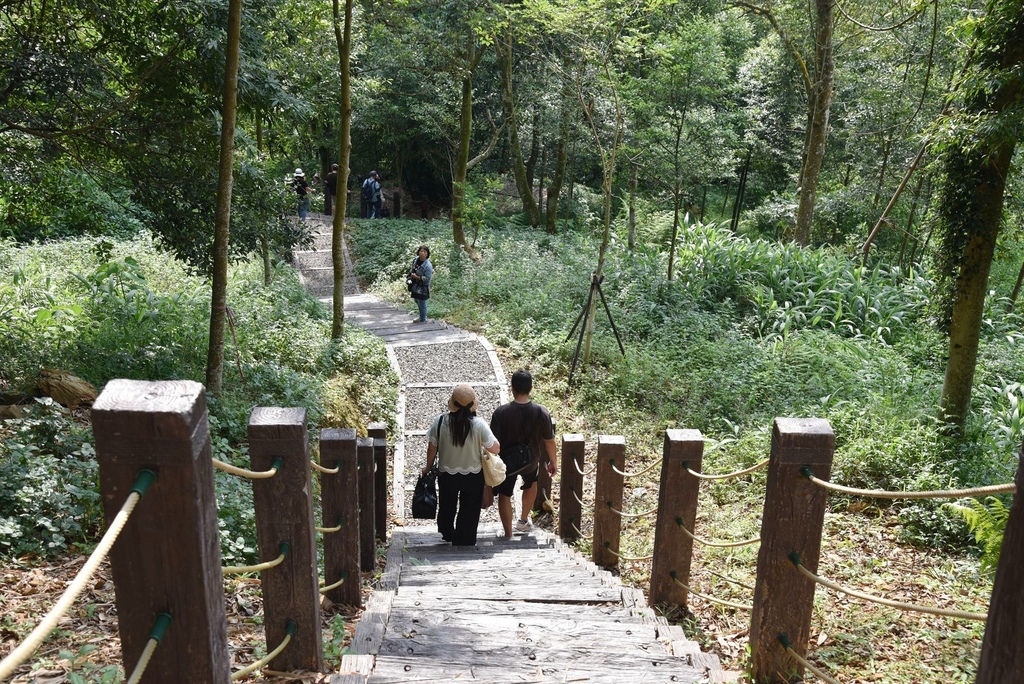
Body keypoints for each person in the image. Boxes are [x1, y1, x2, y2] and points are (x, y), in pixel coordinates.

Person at [421, 384, 500, 546]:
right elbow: (495, 448)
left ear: (452, 403)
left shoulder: (441, 421)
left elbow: (432, 447)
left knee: (447, 504)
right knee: (470, 508)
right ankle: (464, 539)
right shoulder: (478, 424)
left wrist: (428, 467)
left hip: (446, 473)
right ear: (473, 405)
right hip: (473, 474)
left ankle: (447, 532)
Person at [489, 370, 557, 540]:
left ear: (512, 388)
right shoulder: (541, 412)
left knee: (505, 493)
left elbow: (492, 443)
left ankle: (508, 533)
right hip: (531, 459)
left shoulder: (501, 413)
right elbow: (549, 440)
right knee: (531, 483)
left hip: (507, 462)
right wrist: (553, 462)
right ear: (531, 388)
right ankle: (523, 521)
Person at [408, 245, 432, 323]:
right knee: (416, 299)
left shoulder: (428, 266)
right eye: (421, 251)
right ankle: (421, 316)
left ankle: (423, 319)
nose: (422, 253)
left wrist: (417, 277)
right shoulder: (415, 260)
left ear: (427, 254)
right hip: (415, 284)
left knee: (422, 301)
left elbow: (427, 279)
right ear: (418, 252)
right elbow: (412, 269)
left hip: (423, 286)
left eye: (425, 252)